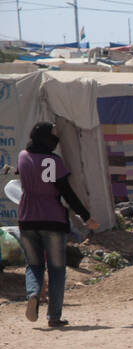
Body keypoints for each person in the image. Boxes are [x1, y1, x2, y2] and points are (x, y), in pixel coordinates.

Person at [16, 123, 99, 328]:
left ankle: (34, 294)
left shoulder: (23, 156)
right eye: (54, 133)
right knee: (56, 269)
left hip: (27, 218)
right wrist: (86, 216)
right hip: (52, 219)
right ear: (46, 137)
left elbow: (23, 178)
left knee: (34, 265)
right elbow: (66, 193)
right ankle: (53, 317)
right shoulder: (53, 161)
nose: (56, 137)